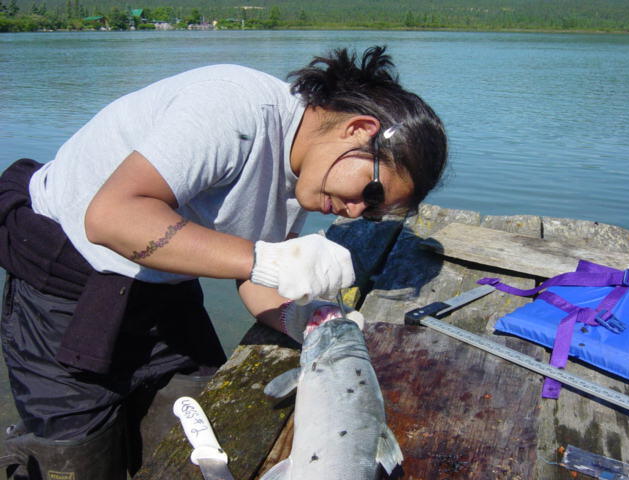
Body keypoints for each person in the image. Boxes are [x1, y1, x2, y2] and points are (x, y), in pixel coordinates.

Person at [0, 45, 447, 479]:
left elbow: (251, 277)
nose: (354, 212)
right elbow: (110, 217)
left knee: (208, 435)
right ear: (357, 130)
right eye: (370, 193)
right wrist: (265, 258)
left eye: (371, 212)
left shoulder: (308, 170)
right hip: (65, 290)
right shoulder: (232, 108)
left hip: (165, 286)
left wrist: (307, 320)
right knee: (82, 459)